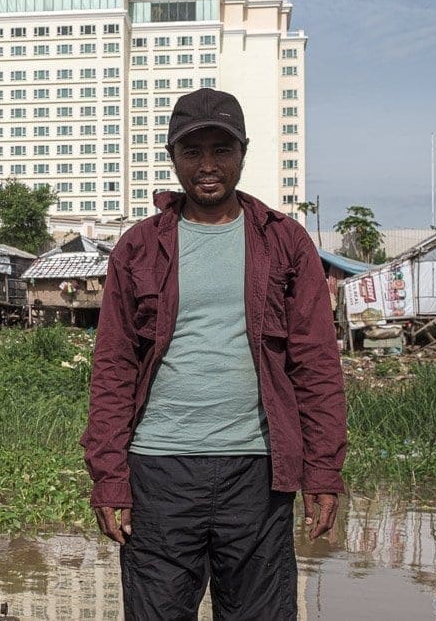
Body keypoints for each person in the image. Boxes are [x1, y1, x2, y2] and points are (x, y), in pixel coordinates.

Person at [81, 88, 346, 620]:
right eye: (192, 151)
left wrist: (322, 472)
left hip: (257, 470)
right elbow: (114, 366)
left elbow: (316, 365)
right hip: (158, 471)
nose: (207, 166)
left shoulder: (286, 242)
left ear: (242, 154)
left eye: (221, 151)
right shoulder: (138, 246)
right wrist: (110, 476)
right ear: (172, 158)